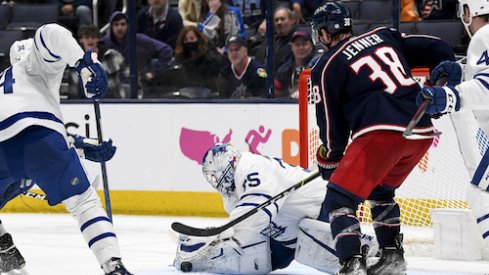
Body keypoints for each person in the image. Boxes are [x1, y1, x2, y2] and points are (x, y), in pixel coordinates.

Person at [309, 2, 455, 274]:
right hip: (420, 131)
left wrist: (329, 158)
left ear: (326, 32)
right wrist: (437, 84)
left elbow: (331, 129)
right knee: (380, 191)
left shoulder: (326, 66)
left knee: (339, 200)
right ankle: (392, 257)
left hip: (381, 136)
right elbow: (440, 49)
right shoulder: (384, 35)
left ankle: (351, 264)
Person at [0, 23, 132, 275]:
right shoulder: (34, 64)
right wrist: (84, 62)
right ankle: (113, 265)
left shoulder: (5, 85)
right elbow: (51, 32)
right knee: (83, 202)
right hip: (37, 138)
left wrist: (80, 147)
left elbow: (14, 123)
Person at [173, 143, 378, 274]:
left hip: (323, 208)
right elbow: (252, 228)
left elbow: (257, 213)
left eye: (214, 175)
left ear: (227, 165)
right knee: (255, 259)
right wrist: (219, 245)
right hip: (290, 232)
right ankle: (202, 259)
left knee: (313, 246)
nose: (214, 181)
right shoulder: (232, 195)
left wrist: (223, 233)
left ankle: (369, 253)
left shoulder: (251, 167)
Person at [417, 0, 489, 252]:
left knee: (481, 193)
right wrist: (463, 72)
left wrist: (451, 96)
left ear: (468, 11)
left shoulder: (483, 36)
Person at [101, 12, 174, 97]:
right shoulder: (104, 43)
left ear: (128, 25)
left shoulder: (140, 40)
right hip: (114, 88)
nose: (120, 28)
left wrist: (154, 71)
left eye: (123, 24)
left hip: (142, 86)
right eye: (116, 25)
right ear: (111, 27)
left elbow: (166, 50)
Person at [66, 24, 128, 99]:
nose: (90, 40)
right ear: (81, 39)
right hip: (84, 105)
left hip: (113, 102)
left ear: (98, 39)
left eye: (93, 37)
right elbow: (73, 91)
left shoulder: (113, 55)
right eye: (86, 37)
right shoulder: (75, 61)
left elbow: (128, 76)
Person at [274, 27, 320, 98]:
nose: (301, 48)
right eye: (297, 45)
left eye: (304, 44)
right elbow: (275, 94)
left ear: (311, 45)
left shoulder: (318, 65)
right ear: (291, 46)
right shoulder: (284, 70)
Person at [252, 6, 295, 73]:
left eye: (282, 19)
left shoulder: (297, 42)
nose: (279, 22)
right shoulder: (268, 41)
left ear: (291, 21)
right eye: (276, 20)